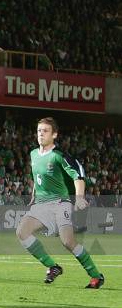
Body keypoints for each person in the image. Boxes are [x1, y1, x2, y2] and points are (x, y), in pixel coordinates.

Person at [16, 117, 104, 289]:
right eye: (39, 130)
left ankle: (96, 276)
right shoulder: (33, 154)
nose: (41, 134)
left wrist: (79, 197)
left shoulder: (59, 156)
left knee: (67, 242)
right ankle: (53, 267)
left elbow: (78, 175)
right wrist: (34, 195)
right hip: (41, 204)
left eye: (45, 131)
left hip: (59, 203)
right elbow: (37, 177)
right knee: (22, 232)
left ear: (54, 134)